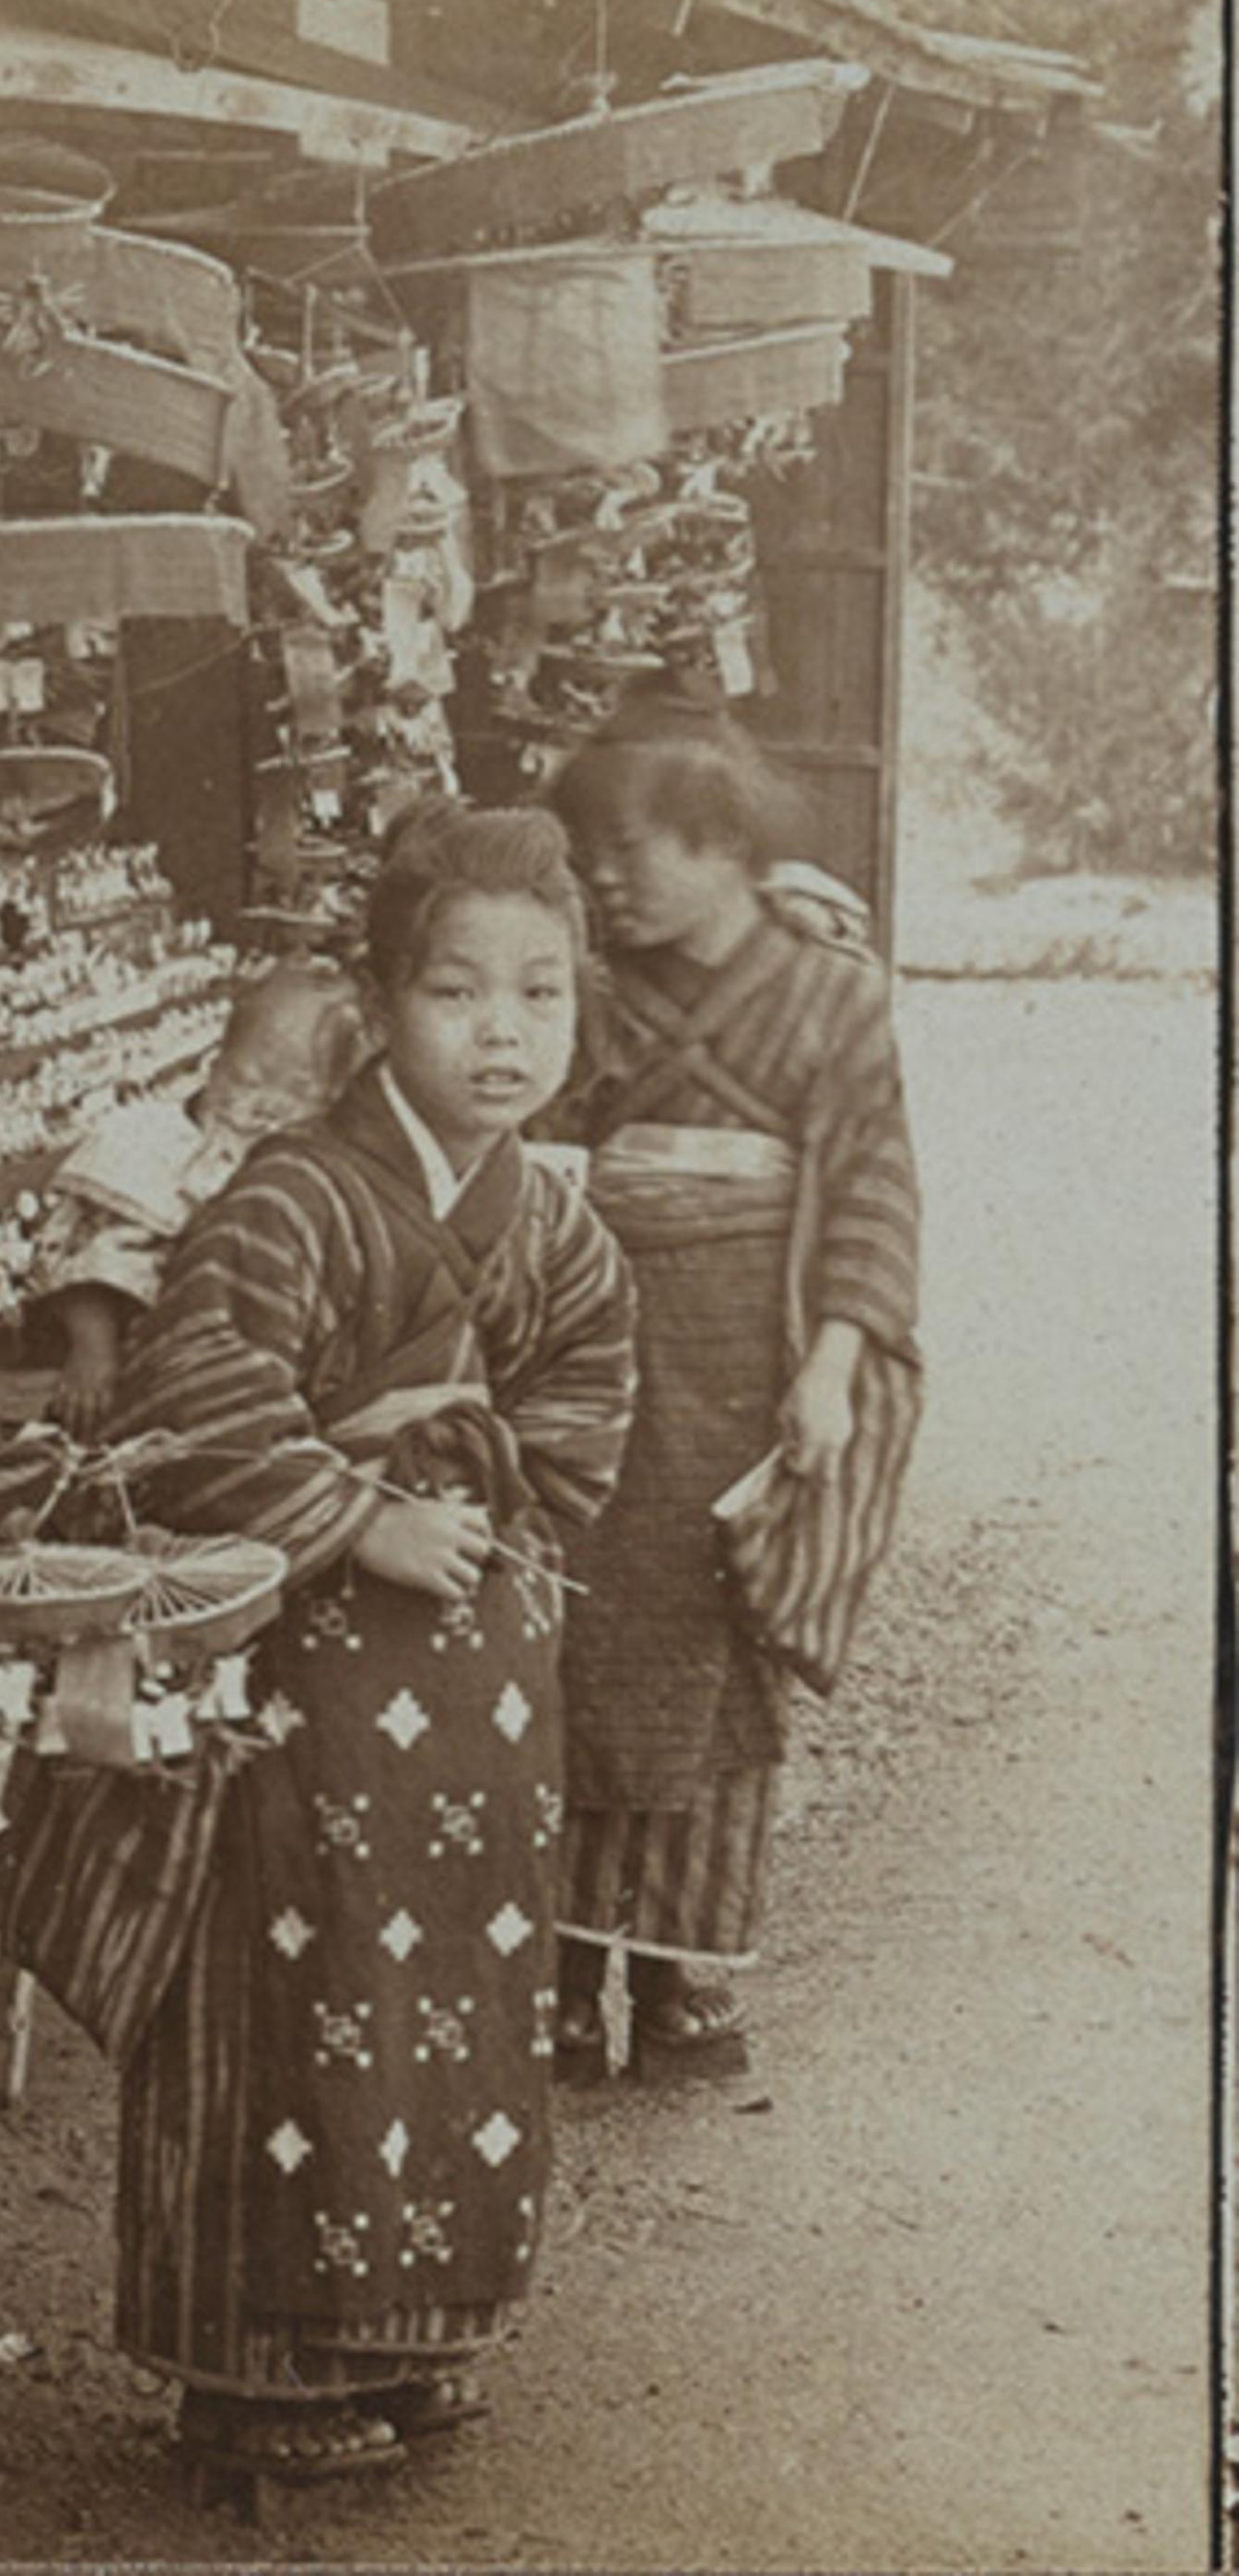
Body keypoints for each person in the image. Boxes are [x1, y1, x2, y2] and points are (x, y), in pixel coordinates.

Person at [90, 803, 637, 2488]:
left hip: (475, 1671)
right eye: (460, 990)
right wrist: (360, 1511)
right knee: (296, 1986)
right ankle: (249, 2373)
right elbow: (196, 1389)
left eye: (541, 995)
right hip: (299, 1662)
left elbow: (586, 1414)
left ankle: (422, 2334)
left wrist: (486, 1505)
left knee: (462, 1992)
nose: (502, 1030)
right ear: (382, 1003)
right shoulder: (296, 1193)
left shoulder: (550, 1220)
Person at [542, 698, 922, 2078]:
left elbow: (874, 1186)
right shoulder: (582, 990)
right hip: (589, 1354)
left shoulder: (833, 993)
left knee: (723, 1666)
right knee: (576, 1645)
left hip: (751, 1364)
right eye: (587, 851)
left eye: (630, 847)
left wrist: (833, 1366)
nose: (604, 876)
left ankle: (689, 1976)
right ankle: (568, 1973)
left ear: (720, 843)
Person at [18, 954, 369, 1427]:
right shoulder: (149, 1142)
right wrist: (93, 1351)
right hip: (137, 1364)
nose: (260, 1106)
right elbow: (83, 1260)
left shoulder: (313, 1161)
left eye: (297, 1091)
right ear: (217, 1058)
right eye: (246, 1078)